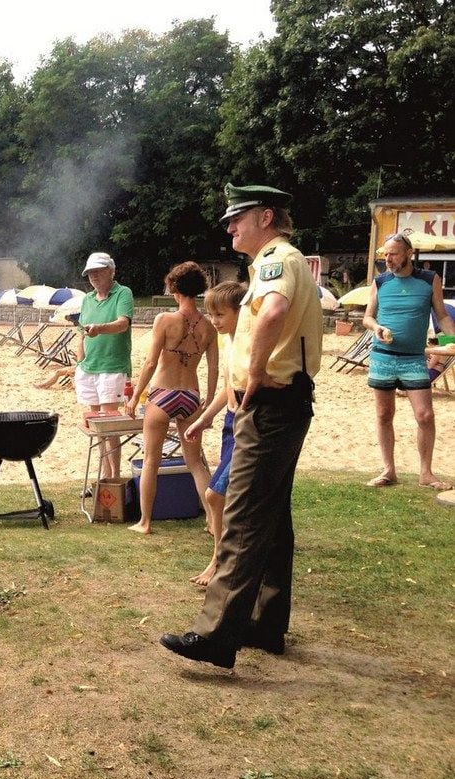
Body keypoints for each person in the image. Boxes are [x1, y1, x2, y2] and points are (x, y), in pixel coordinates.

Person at [161, 183, 323, 669]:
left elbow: (272, 312)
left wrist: (253, 373)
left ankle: (214, 635)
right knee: (271, 515)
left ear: (266, 217)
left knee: (245, 514)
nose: (230, 226)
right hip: (280, 402)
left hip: (270, 402)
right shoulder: (278, 262)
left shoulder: (277, 261)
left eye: (238, 217)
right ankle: (266, 624)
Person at [124, 261, 218, 535]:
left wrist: (135, 398)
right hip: (191, 395)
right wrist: (208, 403)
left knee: (151, 460)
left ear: (174, 288)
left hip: (163, 394)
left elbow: (151, 363)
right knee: (195, 463)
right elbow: (214, 368)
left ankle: (145, 522)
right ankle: (213, 521)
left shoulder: (164, 320)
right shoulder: (209, 327)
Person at [362, 232, 455, 491]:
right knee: (384, 414)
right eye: (385, 254)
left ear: (408, 254)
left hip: (414, 359)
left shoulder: (429, 279)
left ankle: (426, 473)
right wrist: (377, 327)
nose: (388, 259)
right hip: (382, 357)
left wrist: (453, 336)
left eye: (393, 254)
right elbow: (367, 317)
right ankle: (388, 470)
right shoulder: (380, 282)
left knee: (425, 415)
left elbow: (441, 315)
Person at [184, 281, 248, 586]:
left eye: (220, 314)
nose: (214, 320)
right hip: (229, 423)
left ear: (241, 312)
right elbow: (228, 388)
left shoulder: (249, 343)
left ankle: (219, 560)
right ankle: (222, 557)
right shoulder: (230, 342)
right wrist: (203, 419)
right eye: (211, 313)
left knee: (214, 494)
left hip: (246, 425)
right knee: (224, 496)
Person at [75, 252, 134, 479]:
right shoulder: (87, 299)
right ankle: (104, 475)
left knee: (110, 424)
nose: (93, 275)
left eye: (98, 270)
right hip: (88, 368)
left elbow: (122, 324)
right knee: (97, 427)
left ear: (112, 270)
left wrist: (99, 328)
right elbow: (80, 332)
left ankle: (114, 478)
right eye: (90, 272)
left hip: (112, 366)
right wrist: (80, 360)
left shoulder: (123, 293)